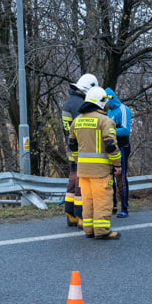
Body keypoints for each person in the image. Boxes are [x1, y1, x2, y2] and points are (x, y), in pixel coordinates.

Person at [69, 86, 123, 240]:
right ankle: (102, 231)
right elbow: (111, 146)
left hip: (83, 171)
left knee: (88, 201)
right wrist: (117, 164)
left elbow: (72, 145)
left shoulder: (77, 121)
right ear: (101, 102)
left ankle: (89, 229)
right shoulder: (105, 121)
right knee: (102, 200)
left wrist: (79, 161)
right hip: (100, 171)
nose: (107, 105)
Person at [61, 73, 98, 228]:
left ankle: (70, 214)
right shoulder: (80, 105)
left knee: (72, 180)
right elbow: (82, 129)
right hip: (81, 151)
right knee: (81, 184)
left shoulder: (68, 103)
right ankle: (81, 216)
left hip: (71, 149)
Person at [104, 87, 132, 218]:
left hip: (122, 147)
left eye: (105, 102)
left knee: (121, 177)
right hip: (111, 148)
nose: (104, 105)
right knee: (110, 178)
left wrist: (110, 132)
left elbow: (126, 130)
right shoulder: (109, 111)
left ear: (110, 99)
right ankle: (113, 205)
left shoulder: (123, 110)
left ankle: (124, 208)